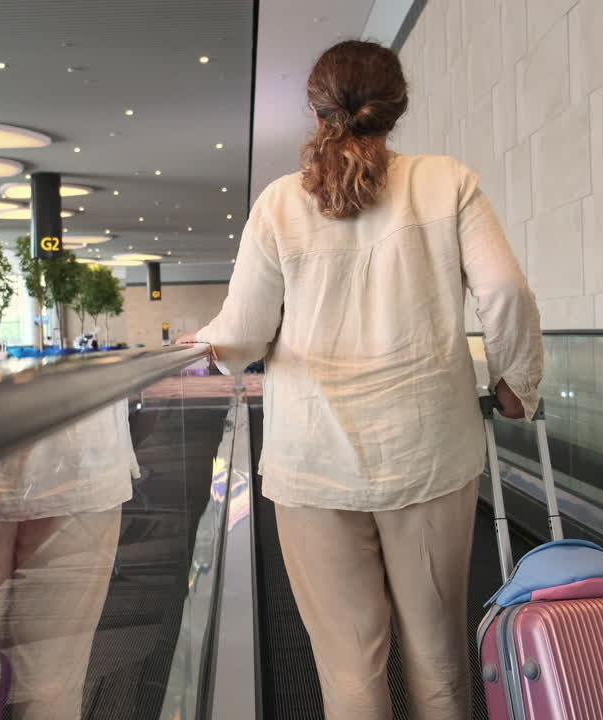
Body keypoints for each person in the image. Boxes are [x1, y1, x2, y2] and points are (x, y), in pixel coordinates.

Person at [179, 41, 542, 720]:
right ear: (395, 108)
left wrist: (206, 344)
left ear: (318, 112)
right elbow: (506, 290)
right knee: (438, 659)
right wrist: (515, 379)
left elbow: (245, 333)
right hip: (429, 456)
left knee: (348, 670)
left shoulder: (281, 204)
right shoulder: (447, 182)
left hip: (313, 464)